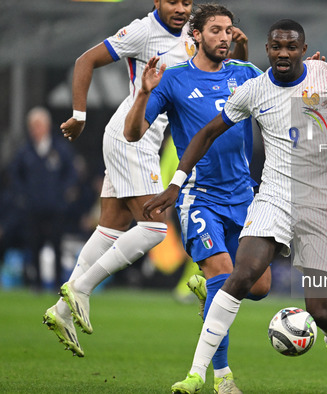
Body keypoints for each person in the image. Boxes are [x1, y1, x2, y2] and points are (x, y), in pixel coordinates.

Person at [143, 18, 327, 393]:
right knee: (241, 276)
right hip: (273, 195)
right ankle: (197, 374)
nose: (283, 53)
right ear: (267, 50)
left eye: (290, 47)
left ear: (303, 50)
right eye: (276, 47)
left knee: (319, 309)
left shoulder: (326, 74)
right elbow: (207, 133)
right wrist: (176, 183)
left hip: (321, 201)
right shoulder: (254, 89)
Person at [42, 0, 248, 358]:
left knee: (111, 227)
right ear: (157, 2)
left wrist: (236, 44)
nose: (181, 8)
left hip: (144, 140)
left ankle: (61, 310)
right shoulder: (142, 31)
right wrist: (79, 113)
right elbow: (84, 60)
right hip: (131, 137)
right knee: (154, 228)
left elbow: (229, 67)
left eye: (187, 1)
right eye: (173, 1)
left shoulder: (195, 33)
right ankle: (81, 289)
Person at [124, 4, 271, 393]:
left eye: (228, 30)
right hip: (198, 197)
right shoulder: (173, 80)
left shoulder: (244, 73)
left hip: (244, 196)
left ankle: (209, 290)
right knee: (225, 275)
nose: (224, 37)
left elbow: (279, 89)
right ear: (196, 36)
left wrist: (313, 75)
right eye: (216, 31)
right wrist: (143, 93)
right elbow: (133, 133)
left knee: (258, 287)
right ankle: (220, 378)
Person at [11, 107, 79, 291]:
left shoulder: (60, 149)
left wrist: (63, 194)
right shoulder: (24, 152)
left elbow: (71, 173)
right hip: (33, 207)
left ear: (47, 126)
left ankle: (58, 283)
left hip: (55, 207)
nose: (36, 130)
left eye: (39, 125)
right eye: (33, 126)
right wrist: (24, 195)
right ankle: (36, 284)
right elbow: (15, 176)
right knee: (34, 245)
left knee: (57, 245)